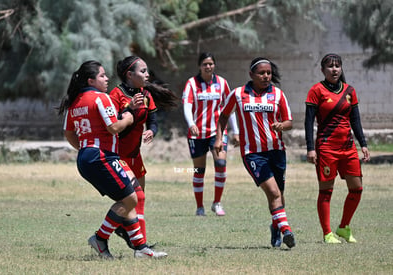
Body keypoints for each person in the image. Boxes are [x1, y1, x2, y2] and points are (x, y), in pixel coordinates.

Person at [58, 60, 167, 259]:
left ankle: (140, 248)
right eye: (102, 76)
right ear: (91, 80)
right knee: (131, 199)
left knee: (129, 196)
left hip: (87, 158)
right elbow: (114, 127)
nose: (107, 79)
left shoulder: (74, 101)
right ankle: (100, 238)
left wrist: (85, 147)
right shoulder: (102, 98)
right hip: (102, 157)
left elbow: (68, 132)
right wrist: (129, 116)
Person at [214, 57, 296, 249]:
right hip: (253, 153)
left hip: (276, 151)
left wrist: (281, 126)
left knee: (278, 196)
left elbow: (289, 122)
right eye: (261, 73)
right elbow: (224, 115)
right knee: (274, 192)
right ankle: (286, 231)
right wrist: (220, 138)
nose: (266, 76)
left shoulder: (278, 95)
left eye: (268, 73)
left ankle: (276, 227)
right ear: (251, 74)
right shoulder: (238, 94)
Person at [109, 56, 178, 244]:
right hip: (118, 156)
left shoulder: (146, 95)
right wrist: (129, 108)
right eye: (143, 71)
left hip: (135, 156)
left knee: (141, 200)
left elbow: (153, 122)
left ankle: (134, 238)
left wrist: (151, 131)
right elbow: (113, 126)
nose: (147, 75)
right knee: (135, 198)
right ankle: (137, 242)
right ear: (130, 75)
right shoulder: (116, 94)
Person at [305, 53, 370, 244]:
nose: (334, 70)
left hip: (348, 148)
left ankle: (343, 227)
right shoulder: (316, 90)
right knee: (326, 191)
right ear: (323, 70)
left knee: (356, 188)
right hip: (326, 148)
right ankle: (327, 233)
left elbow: (355, 120)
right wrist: (311, 148)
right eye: (330, 67)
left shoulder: (350, 91)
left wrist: (363, 144)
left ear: (341, 68)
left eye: (337, 66)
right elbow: (308, 122)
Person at [182, 52, 239, 216]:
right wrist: (191, 123)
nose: (208, 67)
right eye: (205, 64)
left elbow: (230, 108)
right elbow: (187, 105)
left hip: (217, 132)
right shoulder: (192, 84)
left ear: (214, 65)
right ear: (199, 66)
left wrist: (236, 130)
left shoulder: (221, 83)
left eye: (211, 64)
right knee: (199, 171)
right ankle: (200, 207)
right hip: (197, 134)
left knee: (221, 165)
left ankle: (217, 203)